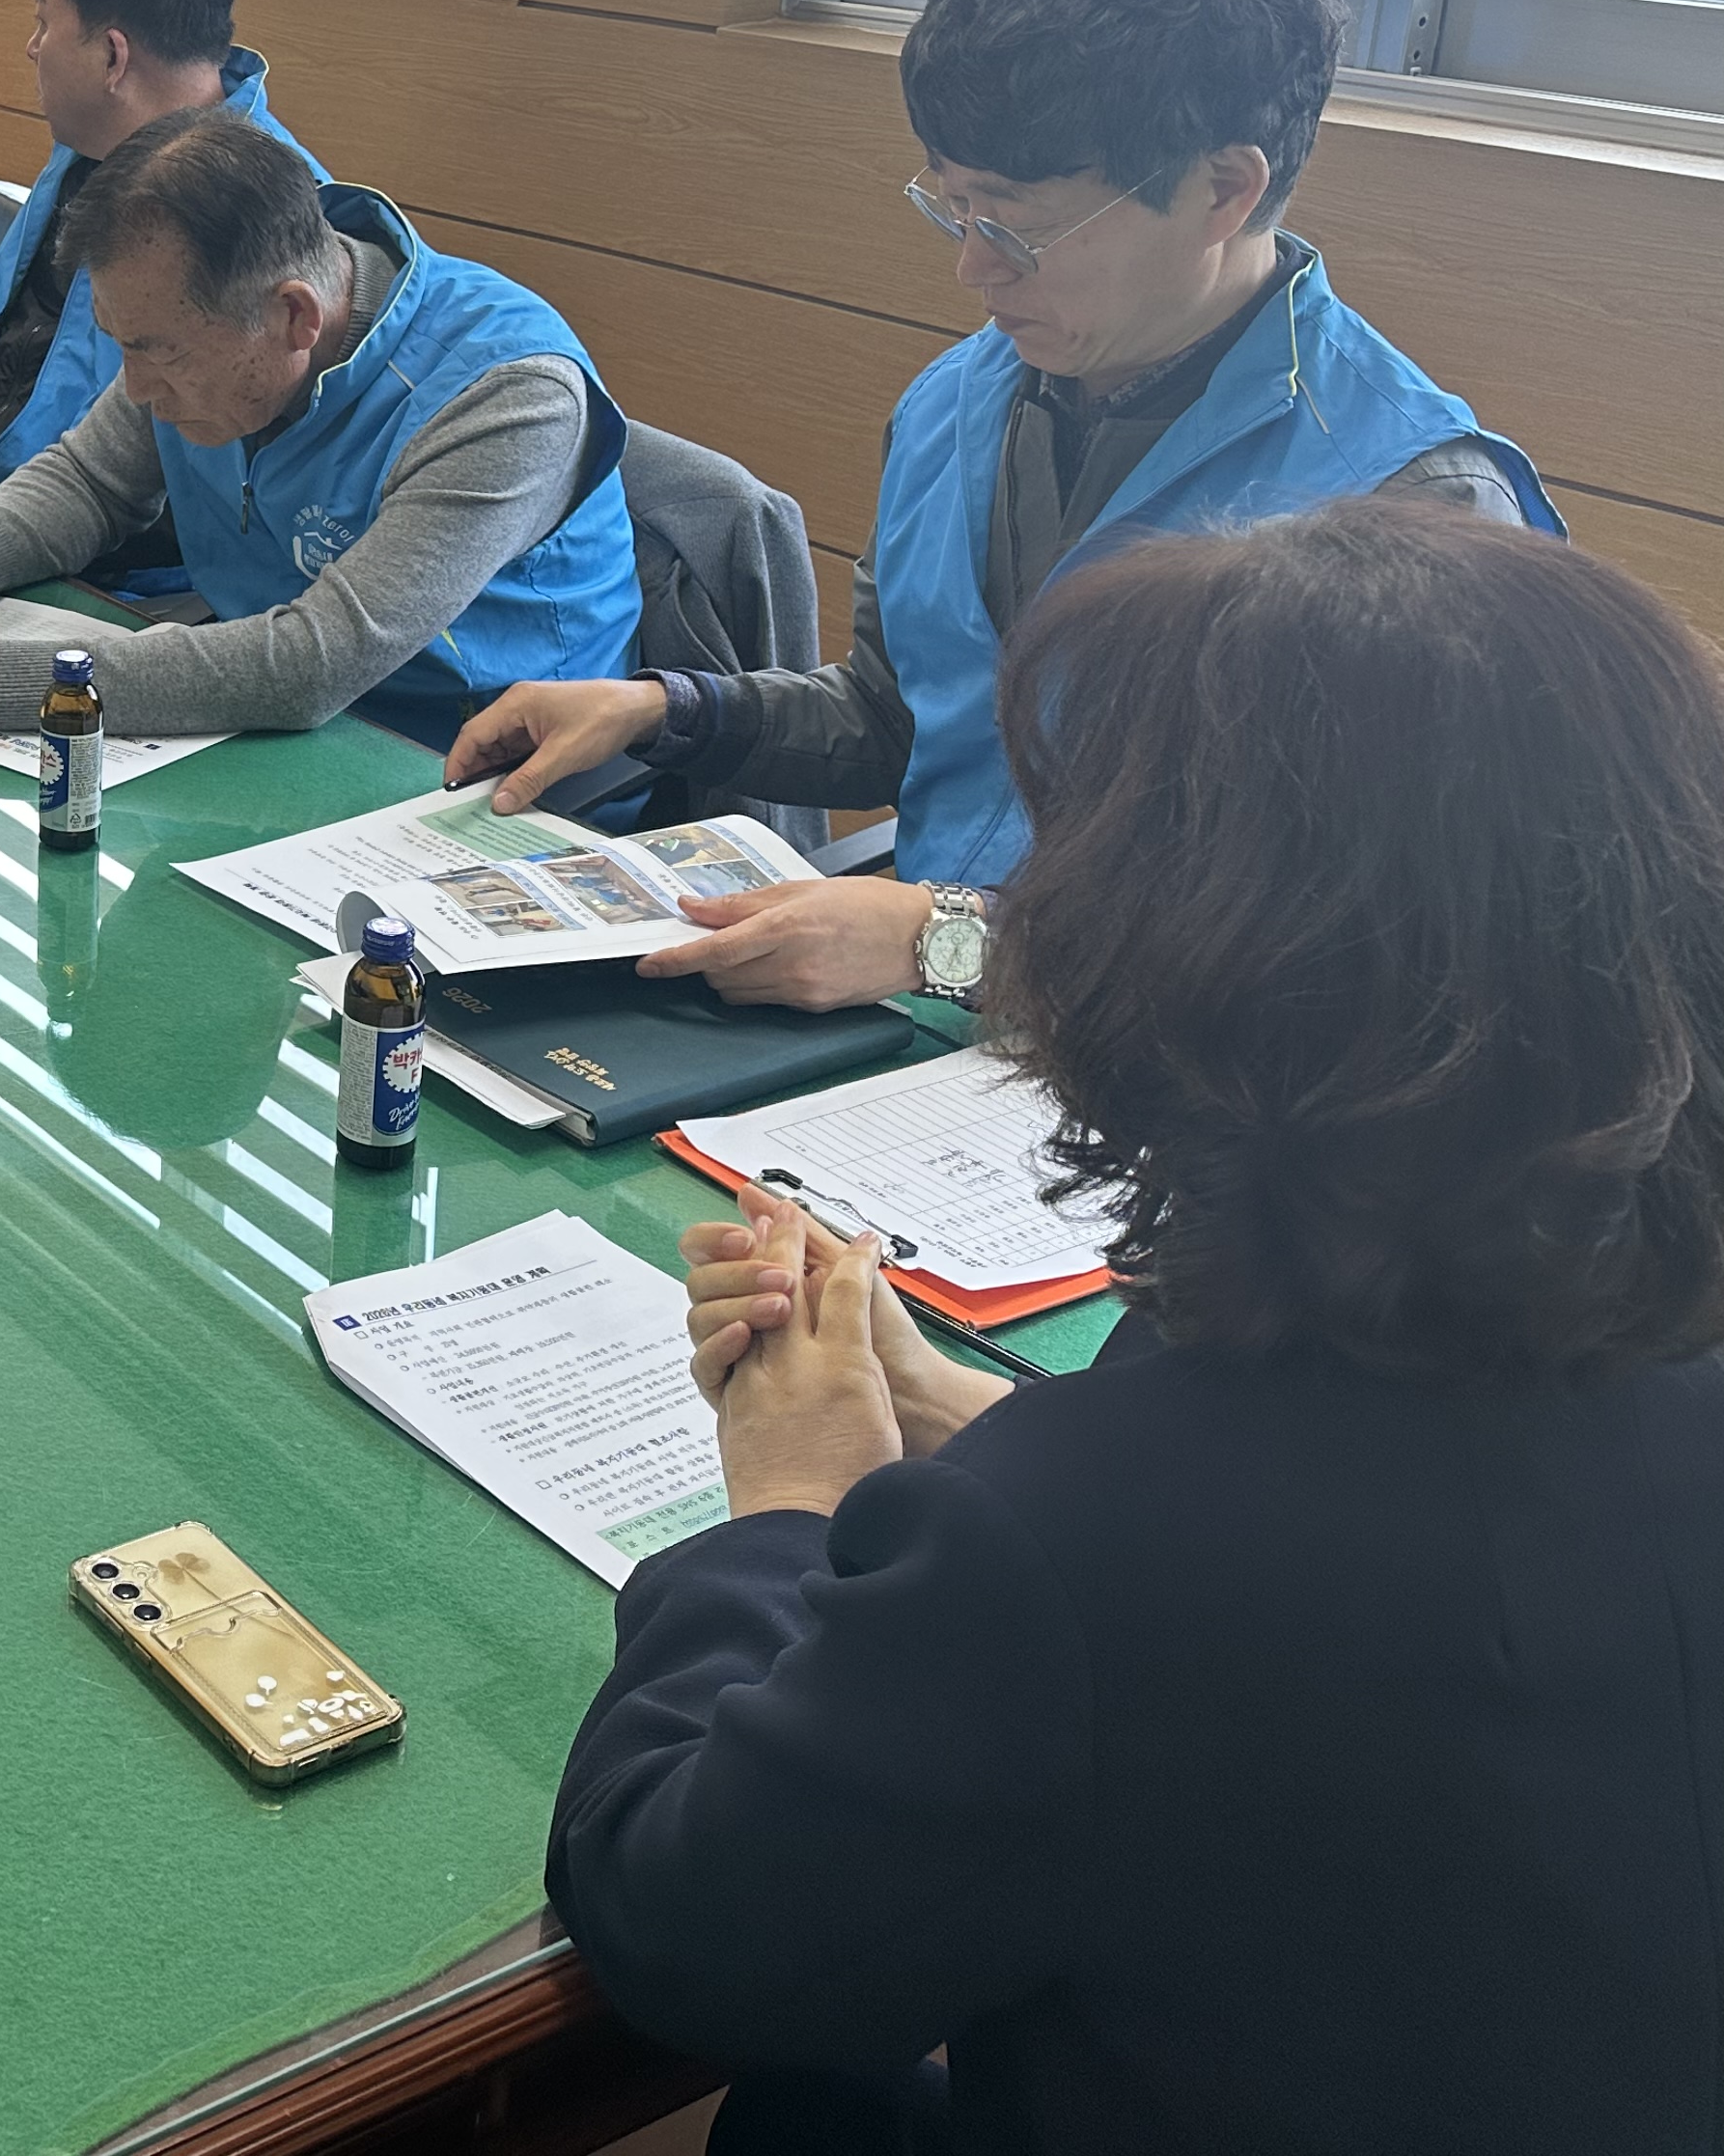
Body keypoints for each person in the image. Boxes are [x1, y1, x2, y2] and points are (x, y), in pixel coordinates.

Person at [552, 499, 1724, 2155]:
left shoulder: (1072, 1548)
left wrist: (788, 1502)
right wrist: (957, 1414)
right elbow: (1352, 1529)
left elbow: (683, 1923)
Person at [445, 0, 1558, 1012]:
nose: (971, 269)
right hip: (925, 1026)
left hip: (1190, 1075)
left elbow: (1394, 962)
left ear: (1224, 189)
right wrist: (668, 712)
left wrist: (952, 943)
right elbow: (903, 720)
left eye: (1017, 229)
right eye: (950, 208)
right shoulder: (960, 400)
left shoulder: (1418, 509)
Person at [0, 106, 639, 747]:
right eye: (122, 345)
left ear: (295, 317)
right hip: (265, 729)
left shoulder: (508, 395)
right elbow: (91, 479)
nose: (135, 387)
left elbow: (314, 662)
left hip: (469, 763)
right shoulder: (213, 324)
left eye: (158, 354)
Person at [0, 0, 324, 516]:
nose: (32, 48)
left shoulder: (269, 209)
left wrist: (12, 523)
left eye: (44, 23)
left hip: (106, 554)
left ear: (113, 58)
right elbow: (10, 351)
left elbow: (216, 482)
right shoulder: (94, 146)